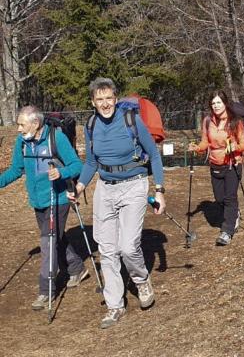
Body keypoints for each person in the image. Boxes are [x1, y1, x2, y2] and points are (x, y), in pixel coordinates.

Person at [69, 78, 166, 329]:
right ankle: (115, 305)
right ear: (92, 102)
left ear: (115, 98)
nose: (105, 104)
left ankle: (141, 279)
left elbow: (153, 155)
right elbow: (91, 162)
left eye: (108, 98)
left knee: (128, 246)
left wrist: (159, 190)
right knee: (107, 250)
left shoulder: (131, 120)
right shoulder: (91, 125)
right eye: (99, 99)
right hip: (105, 188)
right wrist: (80, 187)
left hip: (134, 184)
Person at [0, 106, 88, 311]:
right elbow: (15, 170)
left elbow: (77, 166)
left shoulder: (56, 138)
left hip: (57, 199)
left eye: (22, 124)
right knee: (55, 237)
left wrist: (61, 172)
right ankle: (77, 268)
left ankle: (45, 290)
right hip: (38, 201)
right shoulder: (22, 142)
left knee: (48, 241)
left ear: (36, 123)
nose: (19, 129)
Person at [188, 90, 244, 246]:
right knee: (219, 198)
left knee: (230, 197)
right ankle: (234, 213)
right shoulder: (207, 121)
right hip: (215, 163)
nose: (215, 105)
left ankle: (227, 231)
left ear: (225, 103)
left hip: (232, 163)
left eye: (218, 102)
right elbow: (205, 142)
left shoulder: (235, 121)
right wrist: (197, 148)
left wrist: (234, 146)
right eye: (213, 103)